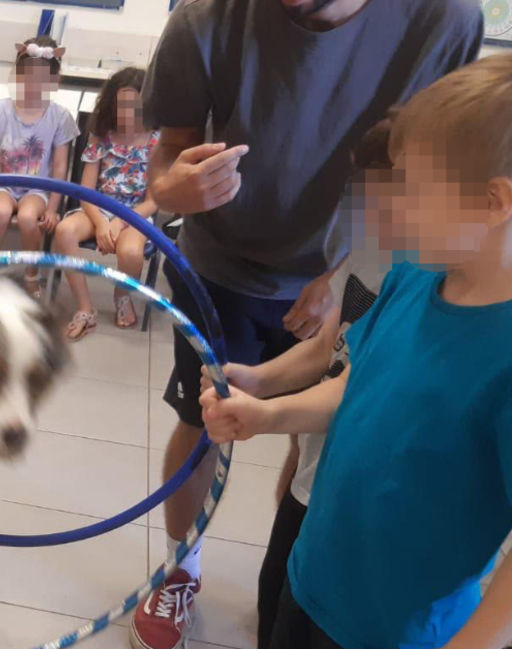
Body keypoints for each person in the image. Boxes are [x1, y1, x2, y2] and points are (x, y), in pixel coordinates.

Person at [131, 0, 483, 646]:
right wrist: (172, 190)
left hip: (362, 266)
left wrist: (351, 268)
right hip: (221, 270)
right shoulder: (205, 17)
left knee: (317, 452)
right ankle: (184, 568)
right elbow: (166, 159)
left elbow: (430, 170)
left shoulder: (446, 20)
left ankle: (292, 574)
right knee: (202, 424)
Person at [200, 54, 512, 649]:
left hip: (395, 632)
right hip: (313, 573)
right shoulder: (413, 276)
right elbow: (355, 382)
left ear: (493, 203)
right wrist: (267, 414)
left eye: (414, 190)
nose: (392, 209)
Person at [199, 112, 398, 649]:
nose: (363, 206)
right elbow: (326, 349)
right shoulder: (371, 253)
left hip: (365, 496)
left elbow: (365, 384)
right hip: (316, 475)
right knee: (277, 599)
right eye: (362, 190)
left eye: (385, 194)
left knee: (318, 625)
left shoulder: (421, 283)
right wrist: (258, 380)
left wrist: (267, 416)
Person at [0, 36, 78, 297]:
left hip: (37, 190)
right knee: (1, 213)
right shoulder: (0, 110)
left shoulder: (60, 117)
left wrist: (53, 207)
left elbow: (61, 166)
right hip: (2, 185)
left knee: (29, 217)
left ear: (54, 82)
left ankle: (32, 273)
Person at [52, 67, 158, 335]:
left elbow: (154, 200)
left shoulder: (157, 141)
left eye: (134, 106)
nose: (127, 113)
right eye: (121, 105)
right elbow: (86, 190)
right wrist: (101, 223)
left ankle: (122, 295)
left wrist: (121, 222)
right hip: (98, 206)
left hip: (137, 212)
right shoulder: (101, 135)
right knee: (64, 231)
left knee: (131, 252)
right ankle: (85, 307)